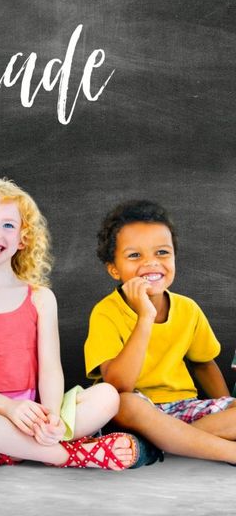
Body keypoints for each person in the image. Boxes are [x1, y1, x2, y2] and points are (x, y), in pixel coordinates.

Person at [0, 179, 138, 470]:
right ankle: (66, 455)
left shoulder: (41, 298)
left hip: (36, 412)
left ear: (23, 239)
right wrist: (9, 408)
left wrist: (52, 417)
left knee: (107, 396)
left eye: (8, 225)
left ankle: (3, 452)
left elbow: (50, 367)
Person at [85, 199, 236, 464]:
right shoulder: (105, 312)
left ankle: (158, 446)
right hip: (136, 411)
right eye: (135, 255)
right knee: (124, 402)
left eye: (162, 253)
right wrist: (145, 317)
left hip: (184, 407)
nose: (151, 264)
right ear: (114, 268)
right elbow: (118, 386)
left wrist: (223, 405)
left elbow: (204, 364)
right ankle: (226, 452)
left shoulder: (188, 309)